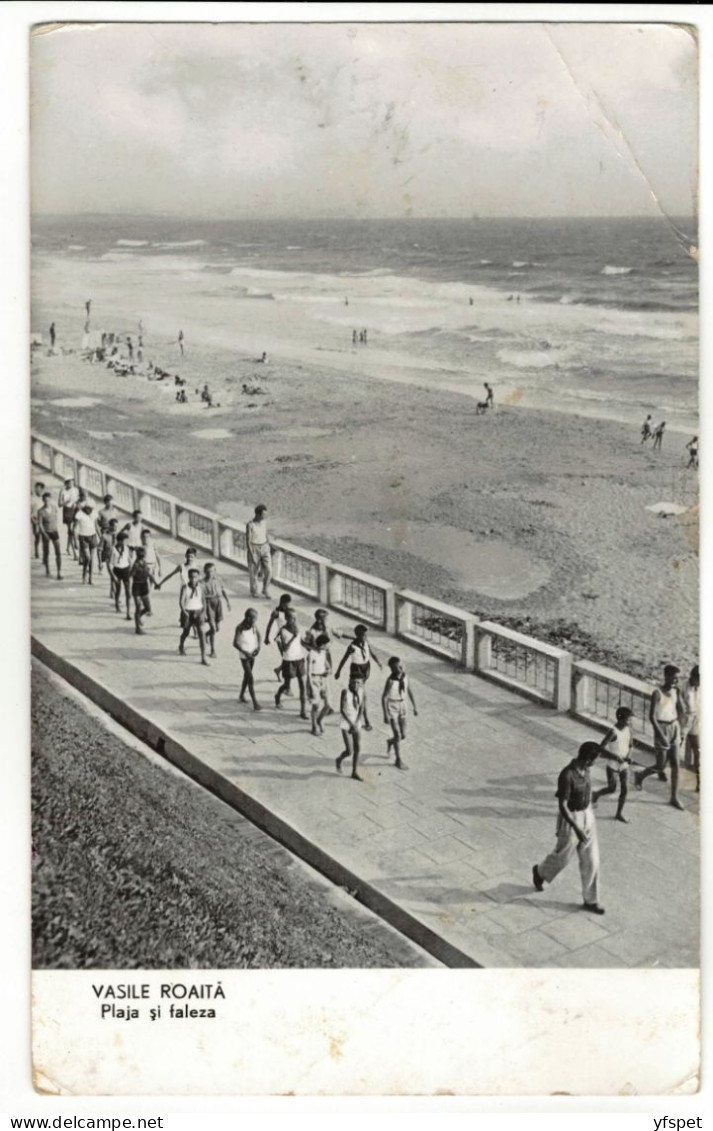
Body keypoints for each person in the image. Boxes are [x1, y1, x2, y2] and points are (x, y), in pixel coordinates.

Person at [532, 741, 604, 914]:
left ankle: (590, 900)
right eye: (595, 760)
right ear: (588, 760)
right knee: (562, 858)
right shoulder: (567, 775)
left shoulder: (586, 770)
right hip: (571, 819)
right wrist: (576, 828)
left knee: (592, 860)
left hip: (587, 815)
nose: (595, 764)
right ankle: (540, 871)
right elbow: (562, 805)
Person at [635, 664, 685, 809]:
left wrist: (680, 730)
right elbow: (651, 717)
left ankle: (674, 797)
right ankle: (640, 775)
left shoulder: (676, 691)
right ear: (666, 676)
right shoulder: (657, 693)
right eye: (674, 678)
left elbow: (681, 711)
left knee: (676, 764)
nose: (676, 681)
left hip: (674, 726)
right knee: (660, 765)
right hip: (661, 728)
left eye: (678, 679)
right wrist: (661, 735)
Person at [334, 623, 382, 731]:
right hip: (356, 670)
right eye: (363, 635)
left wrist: (378, 662)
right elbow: (343, 659)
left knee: (359, 692)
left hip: (366, 669)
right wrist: (338, 672)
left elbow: (371, 653)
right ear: (358, 636)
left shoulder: (366, 643)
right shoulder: (352, 647)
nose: (365, 637)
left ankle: (357, 710)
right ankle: (365, 719)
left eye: (366, 635)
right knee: (359, 693)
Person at [592, 706, 634, 823]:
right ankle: (596, 794)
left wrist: (629, 756)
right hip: (612, 766)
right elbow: (601, 749)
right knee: (612, 789)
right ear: (620, 719)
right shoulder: (613, 732)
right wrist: (615, 757)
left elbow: (631, 745)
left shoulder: (629, 730)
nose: (630, 722)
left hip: (624, 765)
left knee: (625, 789)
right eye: (628, 720)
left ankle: (619, 813)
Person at [382, 657, 418, 770]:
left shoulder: (405, 677)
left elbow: (409, 690)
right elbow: (384, 698)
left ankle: (390, 741)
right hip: (392, 706)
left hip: (403, 705)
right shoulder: (390, 681)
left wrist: (414, 706)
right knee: (397, 734)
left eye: (401, 665)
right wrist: (385, 714)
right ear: (393, 668)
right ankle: (398, 760)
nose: (402, 668)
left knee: (403, 735)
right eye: (399, 667)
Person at [274, 610, 307, 718]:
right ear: (287, 619)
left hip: (299, 658)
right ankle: (277, 696)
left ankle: (303, 711)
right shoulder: (282, 631)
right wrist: (293, 637)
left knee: (302, 684)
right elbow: (284, 648)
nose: (295, 620)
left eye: (295, 618)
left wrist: (311, 647)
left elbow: (301, 642)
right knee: (286, 685)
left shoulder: (297, 629)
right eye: (293, 618)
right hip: (288, 660)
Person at [336, 677, 366, 781]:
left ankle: (354, 771)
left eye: (358, 682)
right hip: (346, 721)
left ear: (361, 683)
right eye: (354, 682)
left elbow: (361, 708)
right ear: (349, 681)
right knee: (349, 751)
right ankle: (339, 759)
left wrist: (357, 722)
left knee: (358, 748)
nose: (356, 684)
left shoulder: (362, 692)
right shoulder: (345, 692)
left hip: (356, 721)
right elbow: (342, 710)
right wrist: (351, 724)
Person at [233, 608, 262, 711]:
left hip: (252, 655)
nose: (256, 621)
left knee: (246, 676)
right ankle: (255, 702)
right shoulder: (240, 628)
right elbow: (235, 643)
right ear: (248, 618)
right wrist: (245, 652)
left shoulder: (253, 626)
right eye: (254, 619)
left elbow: (258, 635)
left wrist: (259, 647)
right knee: (250, 677)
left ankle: (241, 695)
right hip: (245, 657)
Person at [179, 568, 208, 664]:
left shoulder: (201, 587)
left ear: (198, 577)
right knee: (186, 632)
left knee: (201, 634)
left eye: (195, 577)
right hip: (188, 611)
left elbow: (203, 600)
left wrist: (204, 612)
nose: (193, 579)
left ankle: (203, 657)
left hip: (198, 611)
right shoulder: (185, 587)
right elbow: (181, 601)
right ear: (188, 577)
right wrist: (184, 611)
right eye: (191, 577)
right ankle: (181, 645)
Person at [202, 561, 231, 658]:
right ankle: (212, 650)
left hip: (218, 603)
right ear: (204, 572)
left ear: (215, 571)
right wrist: (204, 611)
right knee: (213, 628)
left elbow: (223, 591)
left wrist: (228, 602)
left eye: (212, 571)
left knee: (217, 628)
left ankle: (207, 634)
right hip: (208, 603)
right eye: (208, 571)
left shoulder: (218, 580)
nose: (210, 573)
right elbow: (202, 598)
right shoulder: (202, 583)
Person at [307, 633, 332, 736]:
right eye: (327, 644)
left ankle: (319, 720)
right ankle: (314, 725)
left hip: (323, 679)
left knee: (328, 705)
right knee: (316, 705)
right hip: (314, 680)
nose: (329, 646)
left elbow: (326, 663)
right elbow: (308, 671)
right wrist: (310, 686)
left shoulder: (323, 652)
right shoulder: (311, 653)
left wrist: (328, 669)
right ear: (322, 644)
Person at [680, 665, 700, 792]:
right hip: (684, 721)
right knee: (674, 750)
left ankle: (699, 783)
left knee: (698, 752)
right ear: (692, 677)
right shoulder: (683, 688)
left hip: (696, 721)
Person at [265, 593, 293, 681]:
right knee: (287, 659)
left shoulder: (289, 611)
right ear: (282, 603)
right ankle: (287, 683)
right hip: (281, 638)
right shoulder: (276, 613)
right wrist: (266, 637)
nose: (288, 607)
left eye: (289, 604)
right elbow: (269, 625)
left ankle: (278, 670)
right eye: (286, 605)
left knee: (289, 659)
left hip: (290, 637)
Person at [246, 504, 272, 598]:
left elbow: (266, 533)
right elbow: (248, 540)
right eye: (263, 514)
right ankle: (254, 591)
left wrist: (268, 545)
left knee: (269, 570)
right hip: (254, 548)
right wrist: (251, 553)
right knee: (254, 572)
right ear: (258, 514)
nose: (265, 516)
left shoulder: (264, 522)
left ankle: (265, 589)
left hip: (264, 547)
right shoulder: (250, 525)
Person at [128, 546, 154, 635]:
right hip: (137, 586)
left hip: (144, 585)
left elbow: (148, 574)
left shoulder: (145, 563)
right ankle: (137, 628)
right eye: (140, 555)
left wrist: (155, 582)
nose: (142, 556)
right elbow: (130, 575)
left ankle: (138, 618)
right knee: (138, 607)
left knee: (147, 608)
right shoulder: (135, 565)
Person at [37, 491, 62, 579]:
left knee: (58, 552)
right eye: (45, 500)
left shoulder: (54, 507)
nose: (47, 502)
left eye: (48, 500)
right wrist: (44, 534)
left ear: (50, 500)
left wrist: (56, 527)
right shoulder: (40, 511)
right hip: (46, 533)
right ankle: (47, 569)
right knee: (46, 552)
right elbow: (39, 524)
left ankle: (59, 572)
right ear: (43, 500)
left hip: (54, 531)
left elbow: (56, 518)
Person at [74, 500, 100, 585]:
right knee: (87, 558)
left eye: (92, 509)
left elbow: (96, 526)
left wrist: (101, 537)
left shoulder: (94, 513)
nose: (91, 510)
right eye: (90, 509)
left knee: (92, 559)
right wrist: (75, 542)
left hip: (92, 536)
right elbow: (74, 528)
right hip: (83, 537)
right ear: (86, 508)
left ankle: (90, 578)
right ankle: (84, 575)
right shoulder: (79, 514)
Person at [109, 531, 133, 617]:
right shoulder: (113, 549)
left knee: (128, 592)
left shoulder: (126, 548)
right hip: (117, 571)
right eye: (125, 540)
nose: (126, 542)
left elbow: (129, 560)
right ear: (119, 541)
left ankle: (128, 612)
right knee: (118, 591)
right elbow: (110, 564)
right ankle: (117, 605)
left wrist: (131, 570)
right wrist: (113, 576)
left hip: (125, 570)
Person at [58, 477, 80, 558]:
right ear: (66, 483)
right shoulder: (63, 491)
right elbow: (59, 504)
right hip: (67, 511)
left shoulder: (76, 490)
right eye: (70, 482)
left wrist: (76, 503)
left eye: (72, 482)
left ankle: (68, 548)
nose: (72, 484)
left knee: (72, 532)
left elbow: (78, 499)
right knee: (71, 531)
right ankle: (75, 553)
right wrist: (67, 501)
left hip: (75, 510)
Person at [100, 518, 119, 600]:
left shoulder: (119, 537)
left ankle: (112, 591)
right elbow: (99, 549)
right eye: (114, 526)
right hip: (108, 558)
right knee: (113, 575)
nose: (115, 528)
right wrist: (100, 562)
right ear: (110, 526)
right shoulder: (104, 536)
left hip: (116, 558)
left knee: (114, 575)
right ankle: (114, 593)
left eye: (116, 527)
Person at [31, 481, 45, 559]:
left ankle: (43, 553)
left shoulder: (44, 499)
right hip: (36, 519)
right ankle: (36, 551)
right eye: (36, 488)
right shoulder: (32, 499)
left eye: (39, 488)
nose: (37, 490)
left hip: (44, 520)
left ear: (42, 489)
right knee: (37, 536)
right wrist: (32, 519)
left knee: (44, 537)